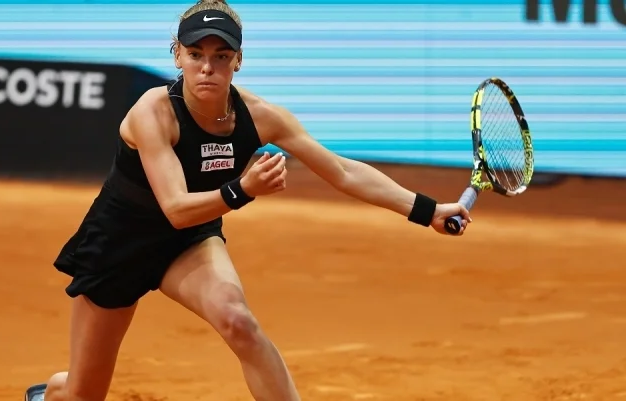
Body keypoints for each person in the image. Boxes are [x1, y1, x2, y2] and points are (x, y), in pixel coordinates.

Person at [25, 0, 471, 400]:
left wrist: (428, 210)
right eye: (196, 54)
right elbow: (175, 208)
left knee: (238, 321)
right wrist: (242, 190)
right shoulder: (153, 111)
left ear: (238, 60)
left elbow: (343, 170)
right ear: (177, 55)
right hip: (117, 245)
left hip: (188, 243)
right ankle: (54, 392)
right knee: (84, 393)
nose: (207, 67)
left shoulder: (260, 117)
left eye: (221, 56)